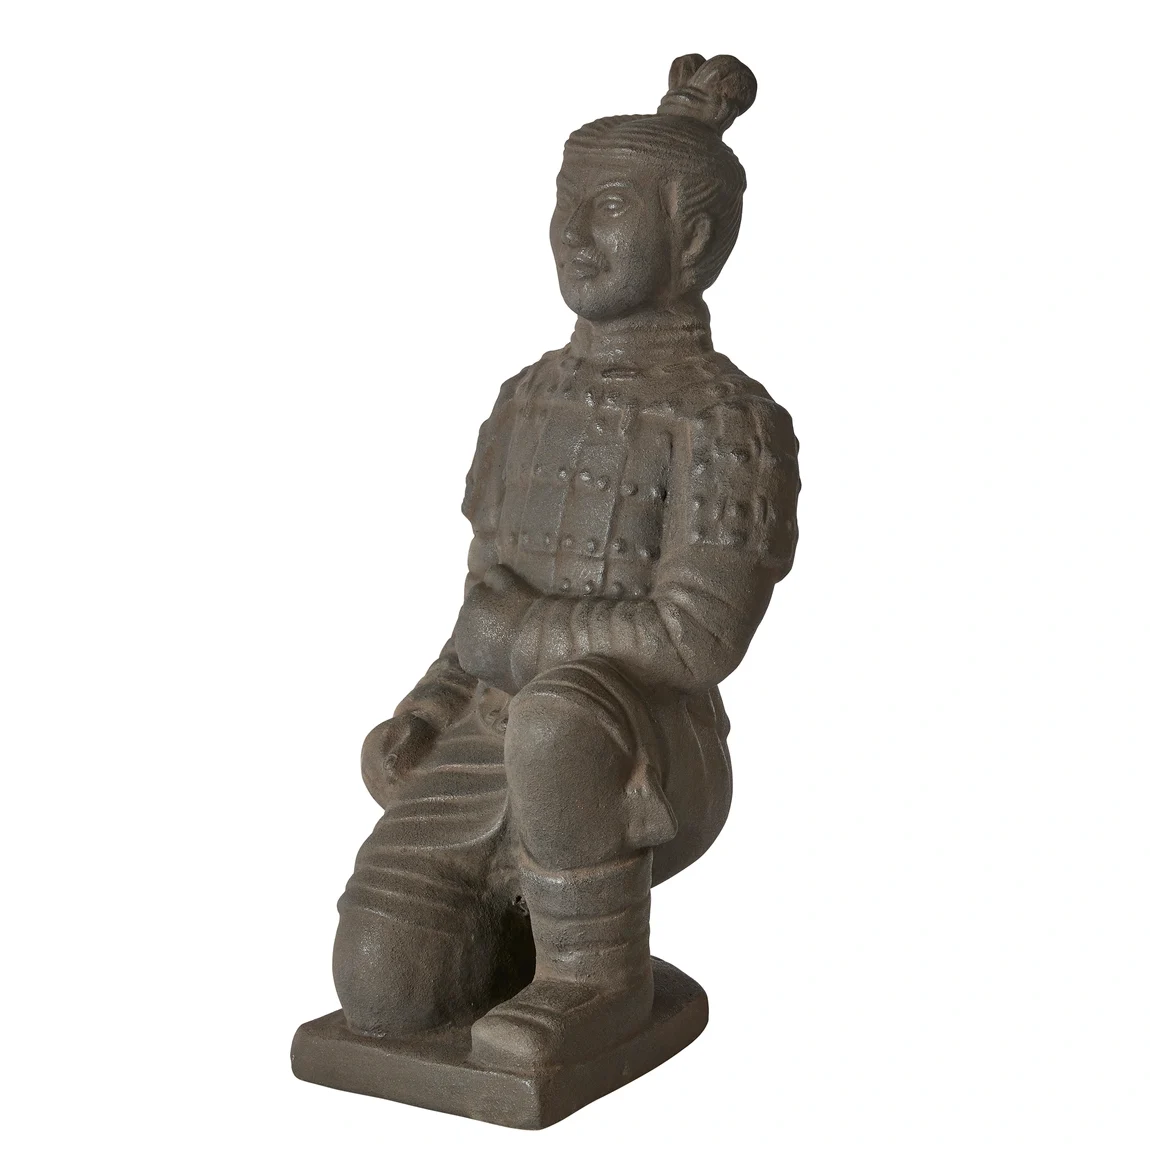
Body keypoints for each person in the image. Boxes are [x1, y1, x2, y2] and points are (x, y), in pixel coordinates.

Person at [332, 53, 800, 1071]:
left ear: (692, 239)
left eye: (611, 205)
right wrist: (427, 708)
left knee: (556, 715)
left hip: (638, 752)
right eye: (565, 201)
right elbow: (483, 604)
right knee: (382, 983)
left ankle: (595, 978)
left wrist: (519, 640)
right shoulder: (525, 398)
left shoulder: (727, 420)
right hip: (488, 737)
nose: (574, 232)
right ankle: (517, 940)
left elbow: (694, 641)